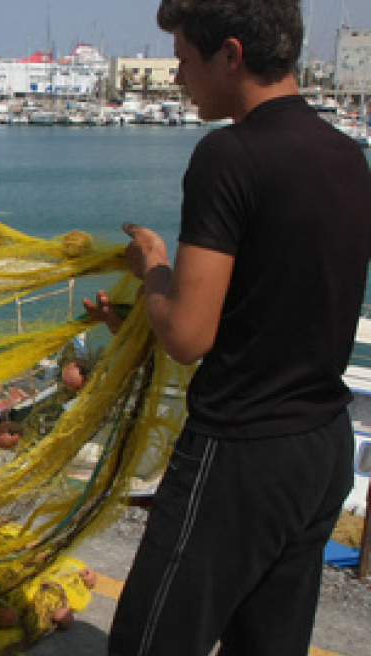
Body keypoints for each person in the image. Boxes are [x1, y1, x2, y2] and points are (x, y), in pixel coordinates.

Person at [89, 2, 371, 654]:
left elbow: (189, 335)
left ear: (232, 55)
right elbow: (278, 302)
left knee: (149, 641)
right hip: (321, 447)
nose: (179, 77)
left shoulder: (229, 156)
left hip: (241, 451)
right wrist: (139, 317)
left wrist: (154, 268)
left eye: (185, 59)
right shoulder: (346, 158)